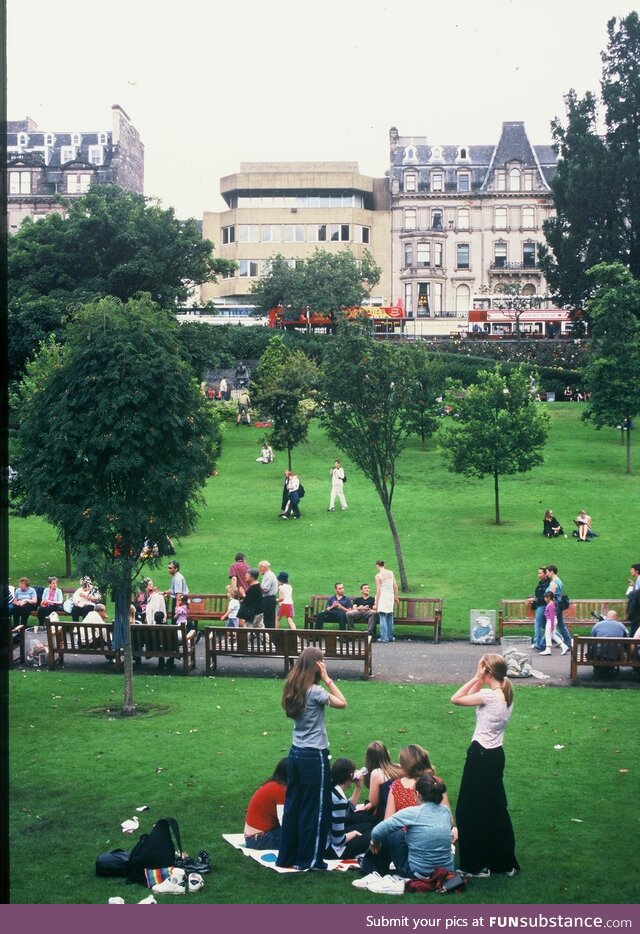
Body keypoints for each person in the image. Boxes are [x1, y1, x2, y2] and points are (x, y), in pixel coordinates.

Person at [276, 647, 347, 870]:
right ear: (317, 666)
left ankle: (287, 856)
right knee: (314, 810)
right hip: (314, 756)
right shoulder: (314, 691)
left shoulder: (292, 687)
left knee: (293, 805)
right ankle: (311, 860)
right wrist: (327, 678)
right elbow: (342, 702)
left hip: (295, 753)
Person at [451, 654, 519, 878]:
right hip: (496, 755)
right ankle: (503, 862)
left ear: (488, 672)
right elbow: (472, 697)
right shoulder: (506, 694)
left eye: (481, 668)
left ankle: (476, 866)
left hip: (480, 756)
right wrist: (480, 679)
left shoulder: (490, 696)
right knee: (495, 808)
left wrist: (475, 677)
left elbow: (457, 698)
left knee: (468, 810)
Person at [358, 773, 455, 881]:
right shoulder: (445, 811)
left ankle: (370, 867)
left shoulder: (414, 813)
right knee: (400, 834)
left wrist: (374, 842)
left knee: (392, 833)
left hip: (418, 873)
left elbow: (377, 831)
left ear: (418, 794)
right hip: (446, 871)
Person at [324, 758, 372, 860]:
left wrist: (358, 787)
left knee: (367, 826)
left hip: (326, 839)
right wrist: (354, 833)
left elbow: (347, 810)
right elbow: (338, 840)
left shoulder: (331, 789)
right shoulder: (338, 800)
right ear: (351, 776)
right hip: (331, 849)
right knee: (373, 834)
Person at [385, 744, 450, 819]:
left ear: (404, 765)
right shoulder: (436, 782)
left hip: (407, 830)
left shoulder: (396, 786)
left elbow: (387, 821)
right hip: (434, 829)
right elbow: (448, 819)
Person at [244, 758, 288, 851]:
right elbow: (286, 823)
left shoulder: (273, 784)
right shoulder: (281, 790)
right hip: (259, 839)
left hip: (254, 837)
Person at [363, 741, 403, 822]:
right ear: (386, 753)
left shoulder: (376, 773)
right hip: (402, 810)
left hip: (387, 815)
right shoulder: (398, 767)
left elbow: (374, 802)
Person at [545, 565, 572, 649]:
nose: (546, 574)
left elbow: (550, 596)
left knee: (551, 625)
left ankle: (544, 644)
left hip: (555, 606)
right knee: (560, 624)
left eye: (547, 572)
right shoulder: (559, 581)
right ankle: (567, 643)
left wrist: (548, 606)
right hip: (559, 605)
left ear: (552, 571)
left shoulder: (553, 582)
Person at [373, 560, 398, 643]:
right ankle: (390, 636)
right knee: (390, 616)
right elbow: (395, 586)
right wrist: (396, 597)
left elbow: (379, 590)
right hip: (390, 595)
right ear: (384, 564)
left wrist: (376, 602)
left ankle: (384, 637)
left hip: (383, 596)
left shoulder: (378, 576)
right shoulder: (390, 573)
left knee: (382, 616)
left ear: (377, 566)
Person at [528, 567, 549, 651]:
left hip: (543, 606)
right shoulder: (541, 582)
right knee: (544, 625)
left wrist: (534, 599)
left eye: (540, 573)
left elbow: (545, 597)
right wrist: (533, 597)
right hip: (540, 605)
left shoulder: (547, 584)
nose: (538, 575)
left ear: (545, 574)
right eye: (538, 573)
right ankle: (561, 638)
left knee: (537, 625)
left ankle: (537, 643)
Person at [258, 560, 278, 629]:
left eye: (259, 567)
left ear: (264, 567)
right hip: (270, 599)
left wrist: (256, 587)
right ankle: (270, 637)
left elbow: (265, 589)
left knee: (267, 619)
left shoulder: (268, 575)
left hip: (268, 600)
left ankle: (268, 636)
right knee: (269, 618)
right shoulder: (269, 574)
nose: (259, 569)